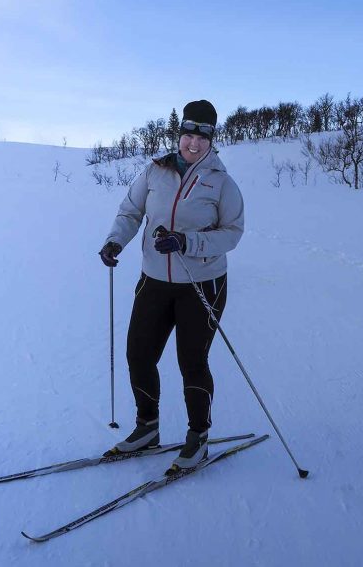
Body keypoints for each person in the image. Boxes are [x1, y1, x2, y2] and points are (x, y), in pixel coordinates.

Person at [99, 99, 244, 471]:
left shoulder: (222, 183)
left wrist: (186, 241)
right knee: (139, 354)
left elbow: (231, 234)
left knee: (192, 362)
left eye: (203, 136)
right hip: (154, 281)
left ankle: (198, 438)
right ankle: (147, 428)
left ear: (212, 139)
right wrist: (116, 240)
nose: (193, 143)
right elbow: (131, 211)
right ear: (179, 133)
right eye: (188, 134)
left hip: (202, 284)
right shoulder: (154, 172)